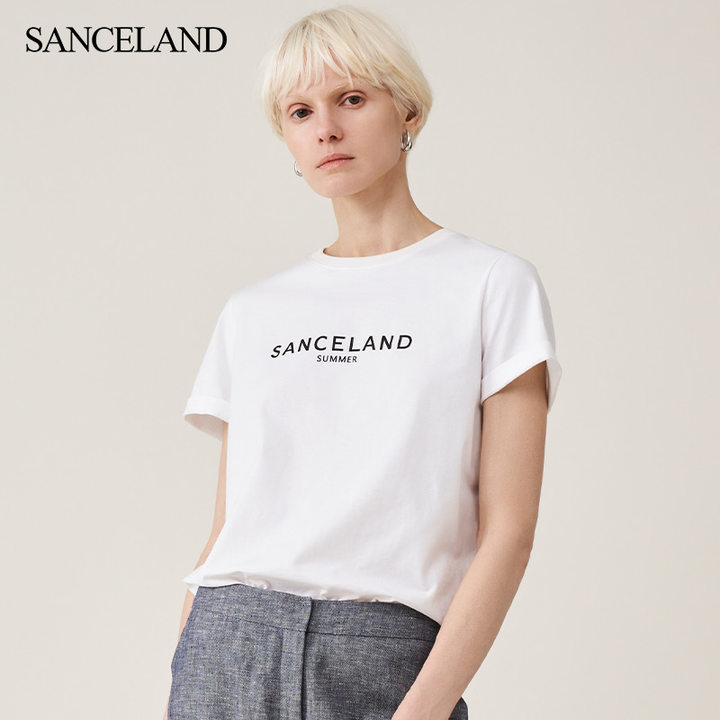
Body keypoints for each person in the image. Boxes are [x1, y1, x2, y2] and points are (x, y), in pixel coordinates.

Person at [164, 5, 562, 720]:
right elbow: (229, 525)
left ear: (408, 110)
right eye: (300, 111)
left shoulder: (491, 284)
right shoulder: (254, 310)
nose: (325, 128)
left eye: (351, 98)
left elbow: (509, 532)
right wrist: (184, 671)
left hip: (384, 652)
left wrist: (423, 709)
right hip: (225, 643)